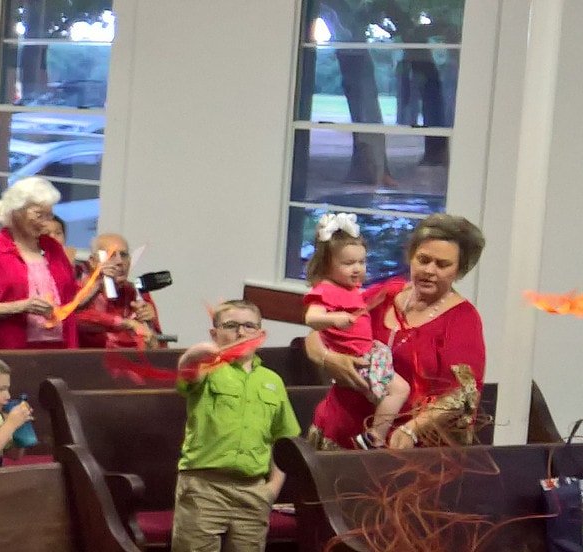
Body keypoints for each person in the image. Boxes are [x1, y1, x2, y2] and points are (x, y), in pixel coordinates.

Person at [307, 214, 487, 450]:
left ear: (459, 270)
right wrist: (329, 359)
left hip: (400, 449)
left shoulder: (462, 319)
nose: (429, 270)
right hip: (337, 430)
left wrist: (411, 429)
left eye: (442, 265)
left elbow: (463, 393)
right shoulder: (386, 294)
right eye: (423, 260)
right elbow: (315, 336)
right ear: (411, 257)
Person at [170, 300, 298, 552]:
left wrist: (271, 489)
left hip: (252, 492)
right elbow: (188, 370)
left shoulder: (272, 381)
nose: (241, 333)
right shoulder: (207, 369)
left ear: (260, 335)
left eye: (249, 326)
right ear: (214, 333)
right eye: (231, 325)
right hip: (204, 488)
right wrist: (196, 353)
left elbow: (284, 440)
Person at [300, 218, 407, 449]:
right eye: (348, 263)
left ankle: (373, 432)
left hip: (367, 352)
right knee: (399, 389)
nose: (357, 268)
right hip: (356, 357)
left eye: (361, 261)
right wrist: (334, 319)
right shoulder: (324, 291)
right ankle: (375, 436)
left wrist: (390, 290)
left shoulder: (353, 290)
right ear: (326, 265)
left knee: (395, 389)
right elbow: (311, 318)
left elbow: (366, 305)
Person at [0, 177, 80, 350]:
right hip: (11, 350)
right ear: (16, 211)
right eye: (39, 214)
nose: (45, 222)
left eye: (49, 215)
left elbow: (72, 300)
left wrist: (98, 280)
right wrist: (23, 306)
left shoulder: (54, 249)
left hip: (59, 349)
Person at [72, 234, 164, 349]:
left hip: (131, 362)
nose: (120, 261)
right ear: (93, 261)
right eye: (111, 255)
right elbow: (75, 317)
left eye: (124, 255)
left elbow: (161, 348)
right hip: (89, 362)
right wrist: (127, 324)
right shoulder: (80, 290)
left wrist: (150, 326)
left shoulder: (137, 293)